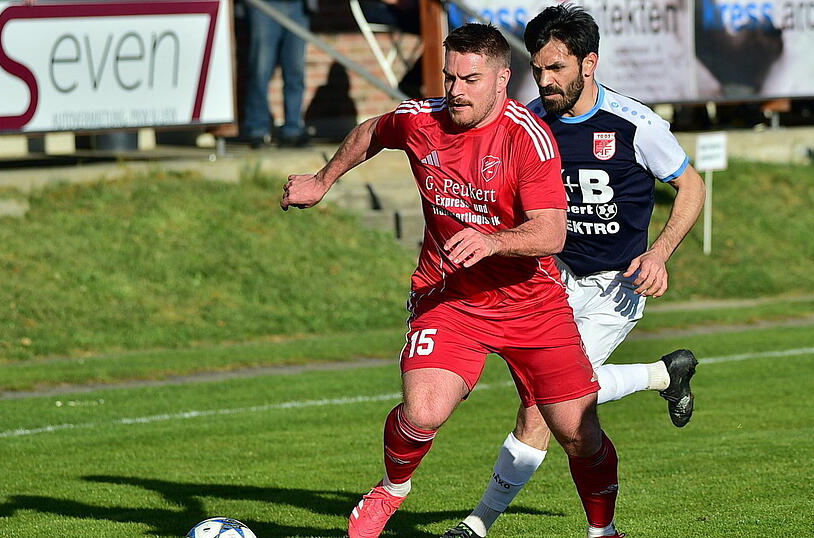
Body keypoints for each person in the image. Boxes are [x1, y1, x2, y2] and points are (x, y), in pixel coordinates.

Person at [283, 23, 625, 538]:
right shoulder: (423, 121)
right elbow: (372, 132)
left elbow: (552, 233)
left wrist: (493, 241)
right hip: (451, 297)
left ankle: (604, 532)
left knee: (578, 433)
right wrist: (322, 179)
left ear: (502, 80)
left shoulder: (529, 140)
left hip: (532, 305)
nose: (456, 91)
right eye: (449, 77)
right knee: (422, 412)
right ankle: (393, 488)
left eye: (470, 79)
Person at [444, 6, 706, 538]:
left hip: (616, 286)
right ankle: (661, 375)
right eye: (538, 69)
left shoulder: (636, 124)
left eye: (558, 68)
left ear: (590, 64)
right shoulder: (532, 121)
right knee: (549, 401)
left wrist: (659, 254)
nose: (546, 81)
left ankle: (477, 525)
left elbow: (693, 187)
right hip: (552, 280)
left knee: (547, 402)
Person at [241, 0, 314, 148]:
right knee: (260, 72)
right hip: (262, 5)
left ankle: (293, 129)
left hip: (297, 6)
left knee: (295, 72)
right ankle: (257, 129)